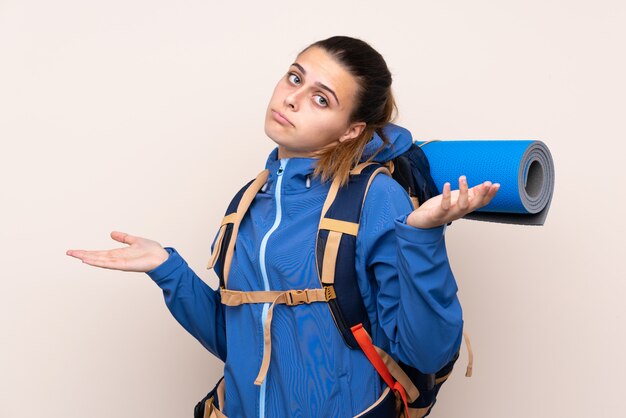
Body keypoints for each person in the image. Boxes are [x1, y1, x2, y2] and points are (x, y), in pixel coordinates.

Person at [66, 35, 499, 417]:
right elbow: (239, 342)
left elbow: (427, 350)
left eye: (321, 98)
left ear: (352, 130)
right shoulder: (250, 199)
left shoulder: (374, 198)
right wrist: (168, 269)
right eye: (295, 78)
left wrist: (422, 236)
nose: (292, 98)